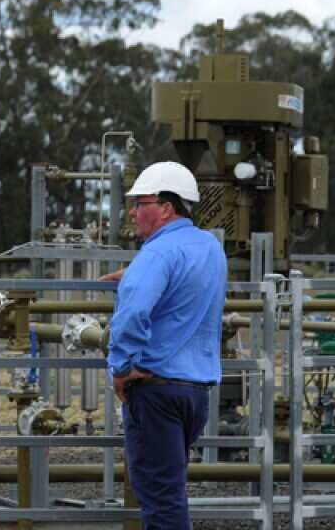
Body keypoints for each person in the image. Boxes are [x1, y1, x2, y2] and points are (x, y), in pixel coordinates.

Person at [99, 161, 226, 529]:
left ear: (167, 208)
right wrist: (136, 272)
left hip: (155, 390)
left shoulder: (155, 255)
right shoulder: (210, 247)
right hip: (195, 393)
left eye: (142, 204)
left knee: (161, 500)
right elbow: (186, 281)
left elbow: (132, 315)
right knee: (170, 490)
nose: (135, 213)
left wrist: (121, 368)